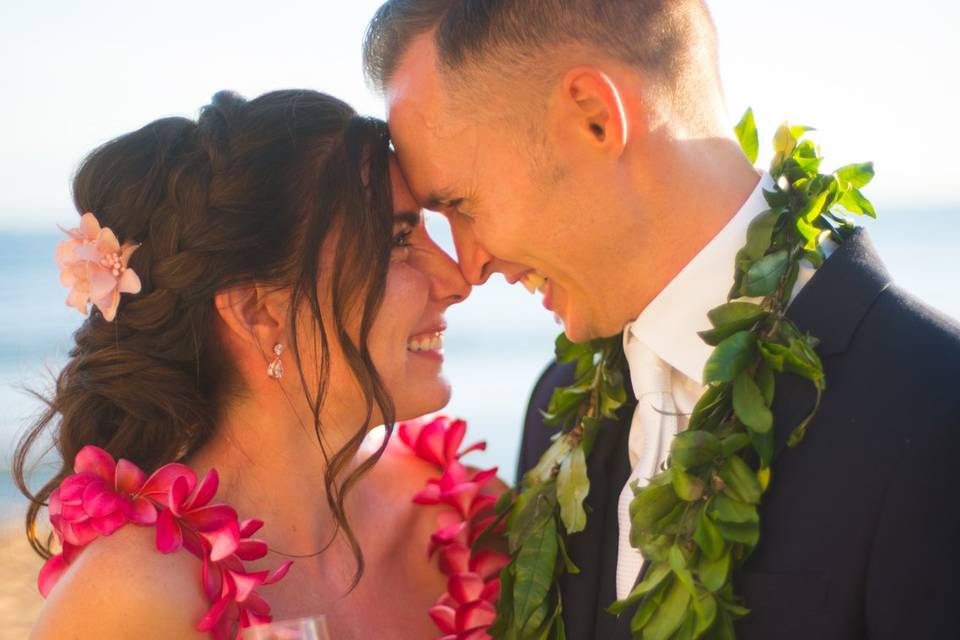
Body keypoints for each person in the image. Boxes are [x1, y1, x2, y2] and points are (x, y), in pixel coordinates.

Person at [363, 1, 960, 638]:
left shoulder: (934, 408)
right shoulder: (557, 413)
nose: (471, 265)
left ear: (594, 118)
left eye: (461, 203)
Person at [18, 89, 506, 639]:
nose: (458, 280)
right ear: (258, 312)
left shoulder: (464, 515)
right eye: (394, 241)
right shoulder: (135, 598)